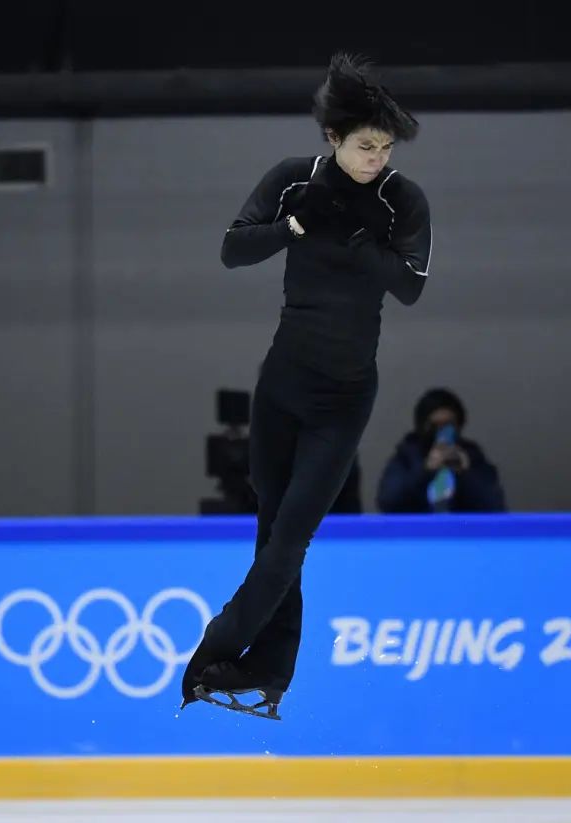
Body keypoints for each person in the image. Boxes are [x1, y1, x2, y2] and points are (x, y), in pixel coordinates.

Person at [180, 52, 432, 718]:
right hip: (283, 384)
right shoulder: (293, 182)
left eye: (384, 146)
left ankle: (215, 645)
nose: (377, 157)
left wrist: (362, 245)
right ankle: (268, 671)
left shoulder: (401, 200)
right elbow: (233, 248)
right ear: (332, 138)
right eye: (364, 145)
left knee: (292, 535)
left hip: (344, 398)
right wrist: (294, 225)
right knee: (270, 525)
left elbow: (409, 287)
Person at [376, 388, 507, 513]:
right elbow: (388, 502)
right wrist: (425, 471)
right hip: (419, 532)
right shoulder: (406, 456)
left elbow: (495, 506)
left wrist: (466, 474)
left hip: (461, 532)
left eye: (448, 425)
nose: (442, 433)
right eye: (434, 426)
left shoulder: (472, 456)